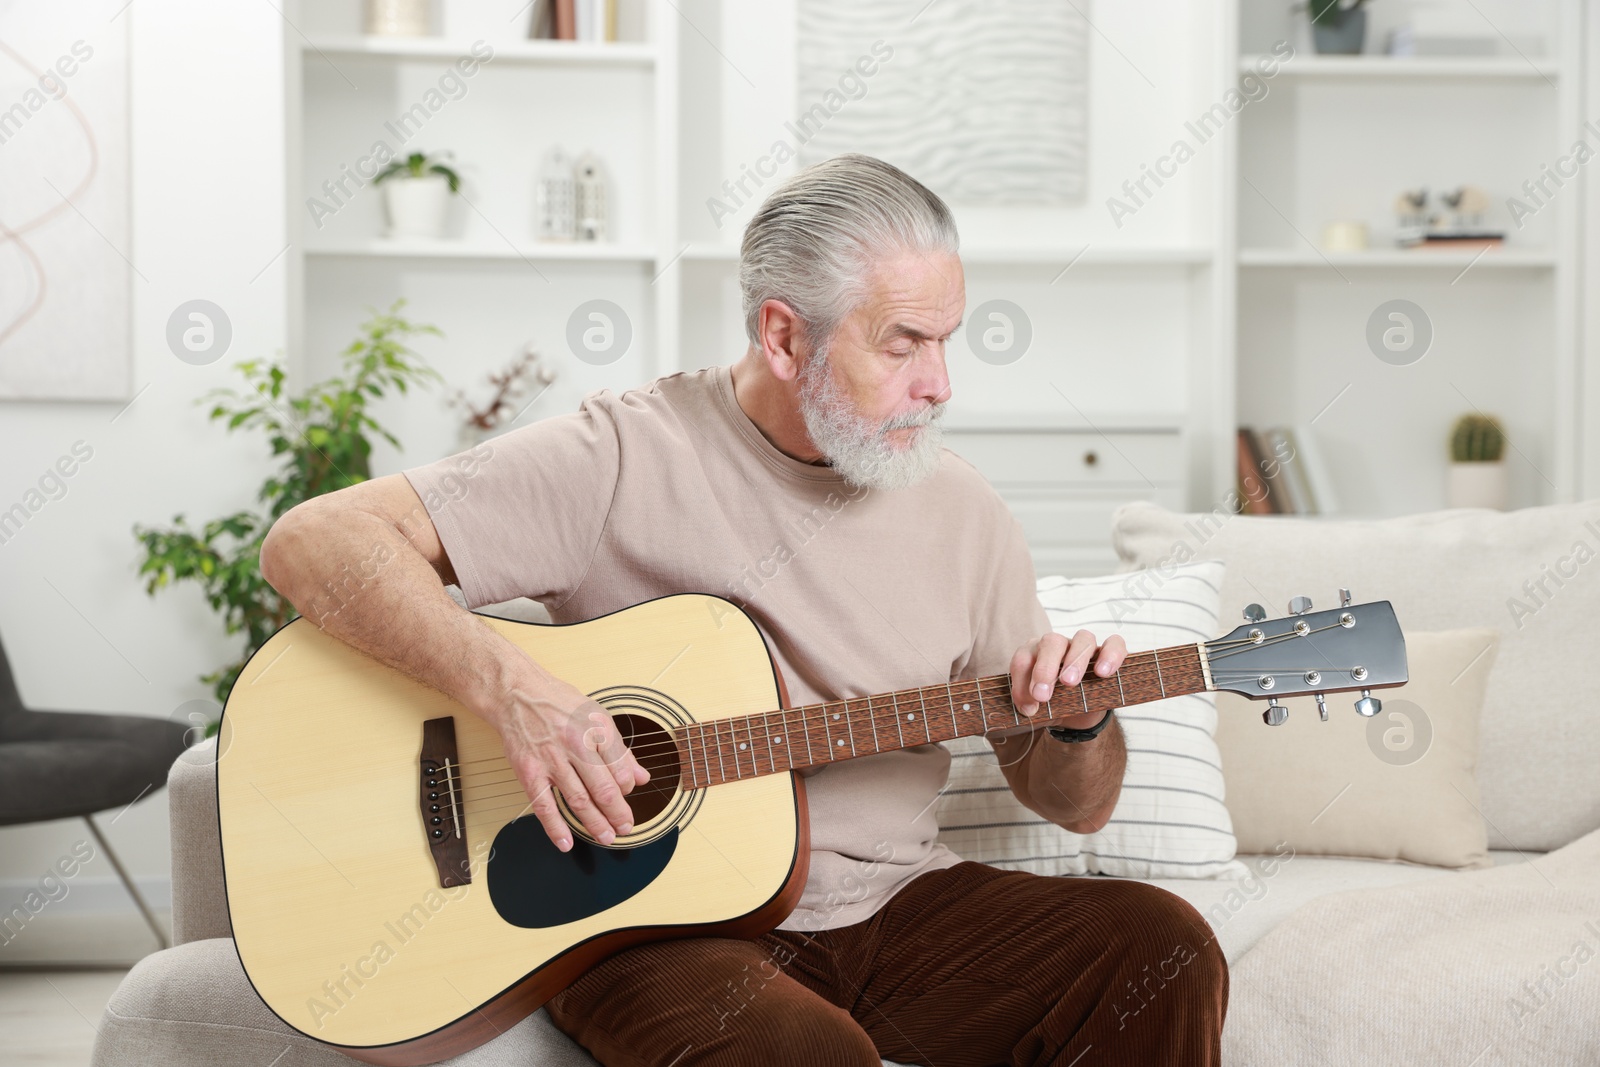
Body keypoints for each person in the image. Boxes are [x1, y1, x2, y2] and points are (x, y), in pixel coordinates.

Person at [259, 153, 1227, 1066]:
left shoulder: (964, 510)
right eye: (903, 343)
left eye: (945, 341)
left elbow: (1075, 803)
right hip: (656, 925)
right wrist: (511, 688)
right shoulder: (621, 455)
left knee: (1158, 944)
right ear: (782, 333)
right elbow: (311, 543)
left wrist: (1081, 722)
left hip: (892, 906)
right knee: (800, 1052)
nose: (939, 384)